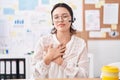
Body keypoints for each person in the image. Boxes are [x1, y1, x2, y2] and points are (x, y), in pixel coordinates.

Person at [32, 3, 89, 78]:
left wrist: (61, 62)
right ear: (52, 21)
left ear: (71, 19)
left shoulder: (80, 44)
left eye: (65, 16)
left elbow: (84, 75)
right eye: (56, 17)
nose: (60, 20)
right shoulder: (43, 42)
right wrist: (48, 58)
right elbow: (34, 74)